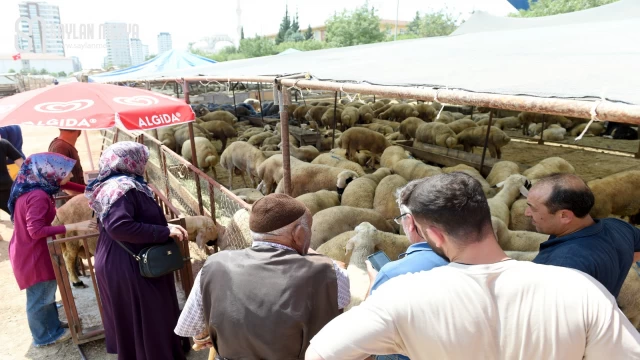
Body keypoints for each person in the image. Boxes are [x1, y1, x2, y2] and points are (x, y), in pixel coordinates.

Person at [305, 172, 640, 360]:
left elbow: (320, 354)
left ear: (432, 233)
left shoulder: (403, 295)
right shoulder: (580, 290)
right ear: (487, 216)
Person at [175, 193, 350, 359]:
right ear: (298, 234)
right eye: (308, 229)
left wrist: (207, 336)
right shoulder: (331, 272)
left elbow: (188, 328)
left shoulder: (213, 266)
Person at [85, 141, 189, 360]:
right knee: (150, 314)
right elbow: (119, 226)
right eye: (143, 160)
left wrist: (161, 227)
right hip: (130, 263)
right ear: (131, 162)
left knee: (136, 315)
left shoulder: (112, 184)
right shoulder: (123, 188)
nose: (145, 164)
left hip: (121, 257)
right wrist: (163, 232)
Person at [8, 153, 96, 347]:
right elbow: (36, 231)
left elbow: (71, 186)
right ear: (50, 173)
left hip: (33, 250)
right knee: (40, 297)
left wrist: (96, 189)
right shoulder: (38, 196)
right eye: (65, 172)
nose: (70, 176)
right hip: (34, 255)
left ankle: (53, 326)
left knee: (46, 293)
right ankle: (44, 336)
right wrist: (74, 226)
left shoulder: (36, 184)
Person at [525, 173, 640, 298]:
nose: (527, 213)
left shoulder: (563, 265)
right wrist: (617, 263)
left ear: (564, 216)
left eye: (533, 209)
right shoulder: (620, 227)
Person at [366, 191, 449, 360]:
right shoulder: (469, 261)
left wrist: (374, 283)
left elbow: (367, 332)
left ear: (410, 221)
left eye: (401, 218)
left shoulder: (392, 274)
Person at [0, 138, 24, 214]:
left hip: (5, 187)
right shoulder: (3, 143)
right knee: (18, 215)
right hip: (4, 186)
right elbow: (22, 164)